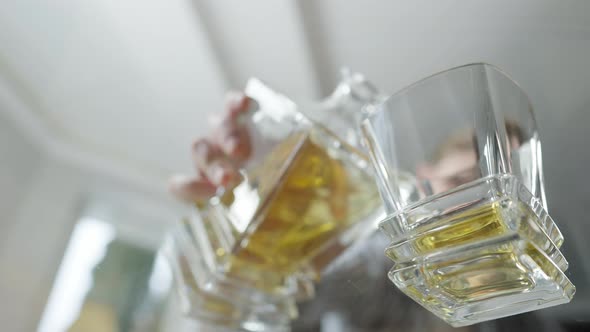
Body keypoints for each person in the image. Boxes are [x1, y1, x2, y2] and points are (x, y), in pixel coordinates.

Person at [167, 92, 565, 332]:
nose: (482, 212)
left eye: (505, 201)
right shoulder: (377, 263)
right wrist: (250, 247)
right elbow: (251, 312)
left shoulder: (533, 314)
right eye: (465, 181)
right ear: (418, 182)